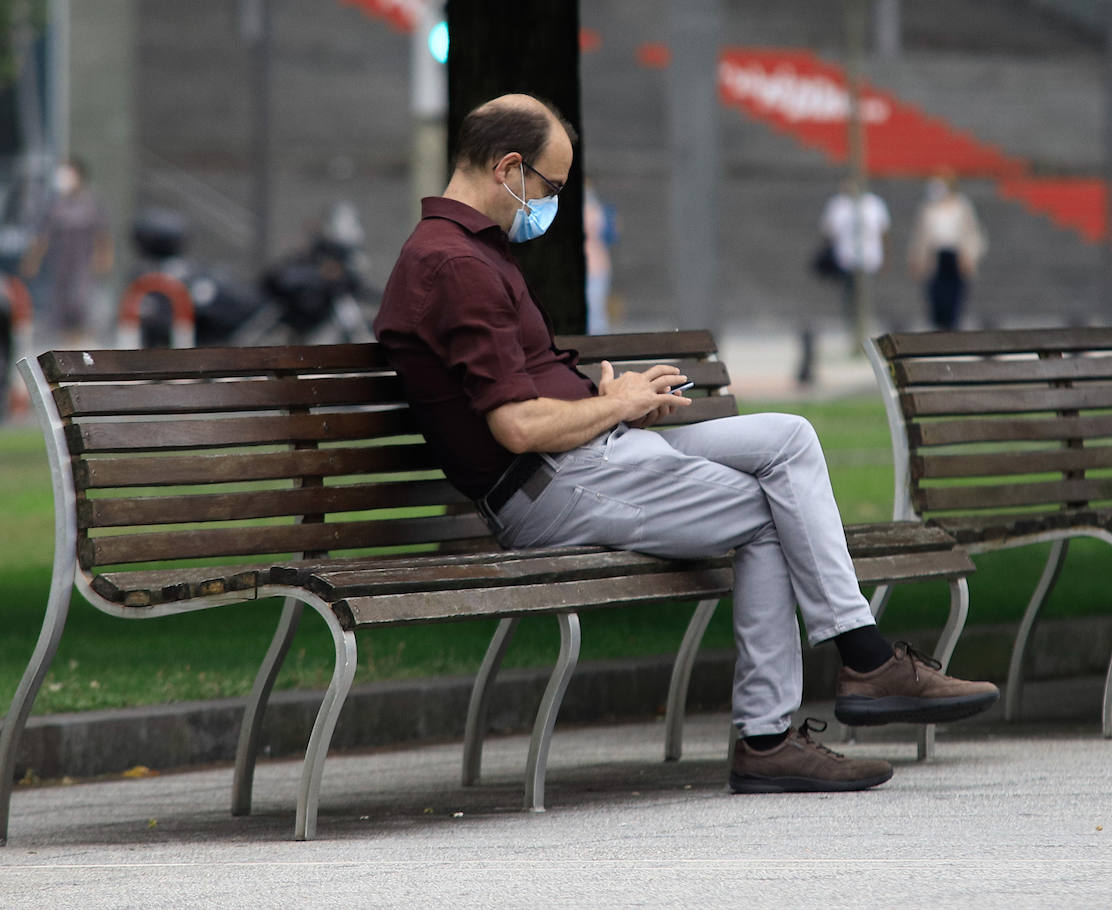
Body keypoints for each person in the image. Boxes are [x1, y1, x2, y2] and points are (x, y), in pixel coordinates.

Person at [373, 94, 998, 795]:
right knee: (768, 512)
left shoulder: (470, 254)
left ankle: (863, 662)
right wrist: (616, 406)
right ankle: (782, 728)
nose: (550, 204)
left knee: (788, 438)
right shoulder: (452, 265)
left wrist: (607, 401)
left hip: (587, 458)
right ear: (508, 167)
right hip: (548, 485)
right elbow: (516, 427)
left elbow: (524, 394)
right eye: (550, 187)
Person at [20, 158, 113, 347]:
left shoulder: (91, 203)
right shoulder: (55, 205)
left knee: (80, 304)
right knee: (59, 307)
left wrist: (104, 257)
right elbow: (42, 236)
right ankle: (66, 347)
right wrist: (33, 260)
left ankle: (80, 344)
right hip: (59, 264)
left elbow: (102, 233)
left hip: (83, 264)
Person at [907, 168, 985, 332]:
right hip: (935, 258)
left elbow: (972, 234)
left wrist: (969, 256)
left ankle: (952, 329)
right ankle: (939, 329)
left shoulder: (962, 207)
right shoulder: (928, 209)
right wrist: (917, 259)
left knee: (954, 299)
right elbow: (921, 236)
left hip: (956, 257)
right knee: (936, 297)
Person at [819, 181, 890, 348]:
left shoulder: (873, 204)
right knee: (850, 299)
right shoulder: (839, 205)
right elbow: (828, 231)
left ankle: (864, 333)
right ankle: (854, 334)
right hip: (846, 260)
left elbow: (884, 232)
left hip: (870, 259)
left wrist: (885, 258)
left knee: (864, 298)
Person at [583, 180, 614, 334]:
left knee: (596, 312)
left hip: (596, 268)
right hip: (594, 267)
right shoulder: (592, 208)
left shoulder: (593, 209)